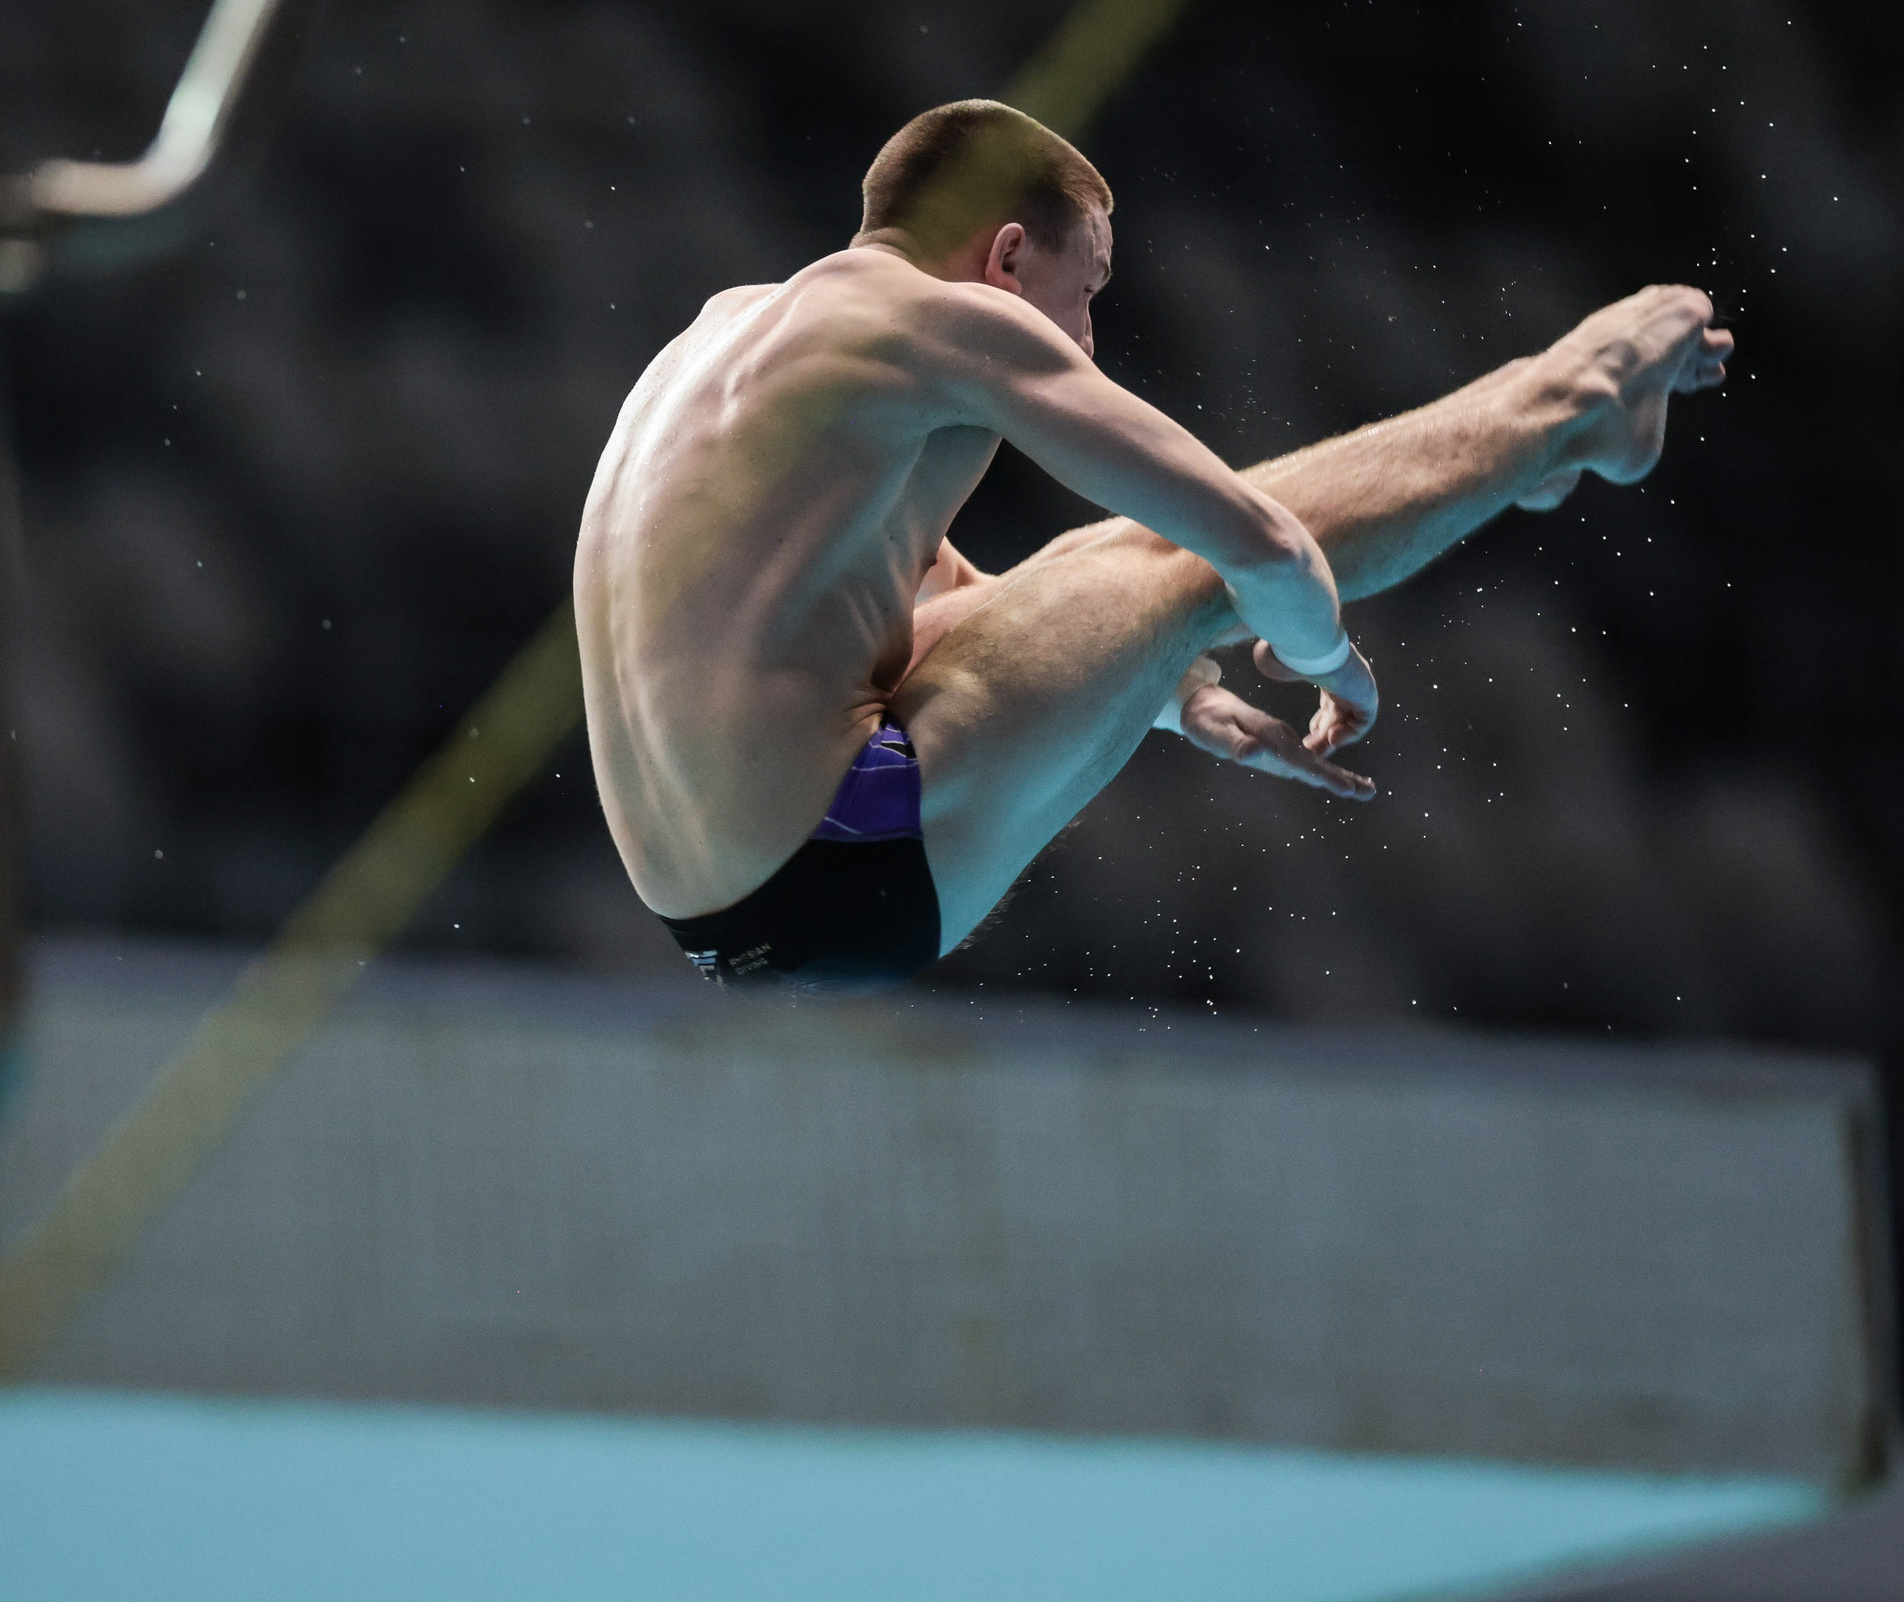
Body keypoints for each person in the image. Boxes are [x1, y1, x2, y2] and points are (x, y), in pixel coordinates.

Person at [572, 98, 1732, 994]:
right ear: (1008, 257)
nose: (1086, 336)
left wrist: (1179, 695)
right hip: (839, 865)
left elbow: (888, 580)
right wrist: (1333, 663)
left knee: (1099, 574)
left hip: (705, 918)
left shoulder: (722, 334)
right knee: (1164, 559)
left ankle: (1542, 433)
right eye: (1089, 290)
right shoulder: (944, 323)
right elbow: (1258, 542)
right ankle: (1569, 400)